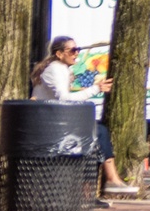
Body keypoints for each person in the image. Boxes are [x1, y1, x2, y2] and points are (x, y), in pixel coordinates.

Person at [30, 38, 137, 198]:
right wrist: (96, 89)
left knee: (96, 138)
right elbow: (64, 98)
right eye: (72, 50)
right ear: (59, 54)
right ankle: (110, 180)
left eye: (77, 49)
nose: (76, 53)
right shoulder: (55, 69)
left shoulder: (61, 68)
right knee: (99, 132)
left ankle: (91, 193)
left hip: (55, 121)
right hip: (50, 126)